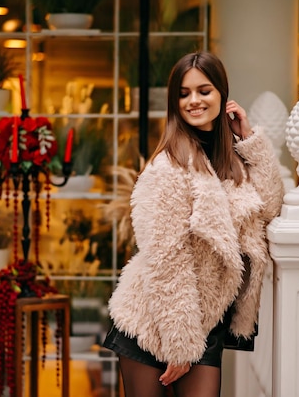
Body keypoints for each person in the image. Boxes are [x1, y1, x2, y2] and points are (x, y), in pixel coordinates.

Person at [103, 51, 284, 397]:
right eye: (184, 94)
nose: (194, 101)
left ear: (222, 94)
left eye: (204, 90)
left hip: (206, 324)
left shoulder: (232, 163)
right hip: (155, 323)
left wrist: (249, 140)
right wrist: (180, 344)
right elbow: (167, 260)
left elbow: (271, 206)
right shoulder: (168, 167)